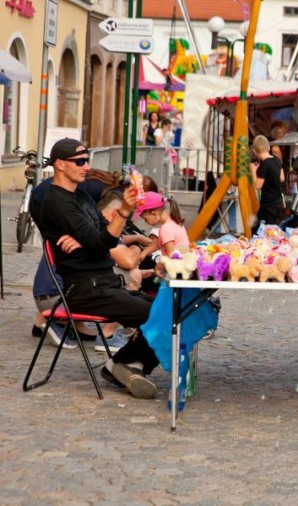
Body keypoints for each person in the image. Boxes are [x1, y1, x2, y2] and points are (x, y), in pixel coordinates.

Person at [37, 138, 160, 399]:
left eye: (87, 160)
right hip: (86, 290)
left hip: (105, 284)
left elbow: (100, 236)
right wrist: (121, 214)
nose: (86, 167)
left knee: (172, 305)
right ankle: (124, 365)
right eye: (80, 162)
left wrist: (87, 238)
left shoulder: (79, 195)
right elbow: (101, 242)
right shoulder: (58, 202)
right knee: (162, 315)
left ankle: (123, 364)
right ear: (60, 164)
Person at [134, 191, 189, 257]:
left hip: (178, 264)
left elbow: (172, 256)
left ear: (153, 213)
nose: (145, 221)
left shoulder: (165, 229)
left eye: (145, 219)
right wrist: (145, 253)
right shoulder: (174, 221)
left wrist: (158, 266)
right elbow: (159, 243)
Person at [252, 135, 285, 227]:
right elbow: (282, 178)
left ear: (254, 151)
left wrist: (253, 171)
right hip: (278, 203)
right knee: (276, 230)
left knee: (261, 231)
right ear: (268, 147)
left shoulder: (264, 165)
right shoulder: (277, 160)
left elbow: (258, 186)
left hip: (268, 205)